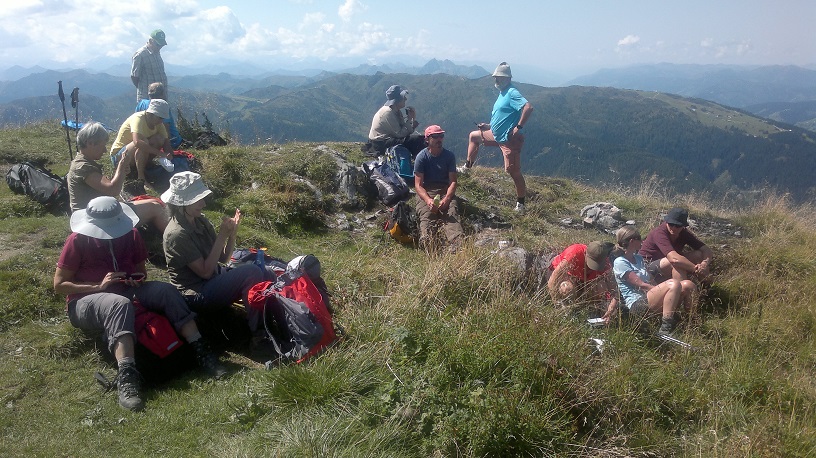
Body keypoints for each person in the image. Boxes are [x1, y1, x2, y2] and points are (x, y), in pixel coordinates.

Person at [54, 196, 226, 411]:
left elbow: (140, 271)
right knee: (118, 304)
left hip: (126, 290)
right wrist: (99, 286)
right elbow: (60, 284)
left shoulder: (131, 234)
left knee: (166, 291)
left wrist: (135, 279)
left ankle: (201, 349)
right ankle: (127, 376)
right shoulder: (78, 240)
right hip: (84, 301)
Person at [161, 172, 268, 334]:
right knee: (252, 272)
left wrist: (232, 234)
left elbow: (223, 258)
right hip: (195, 294)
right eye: (198, 199)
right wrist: (222, 235)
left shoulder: (201, 221)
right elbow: (204, 272)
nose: (203, 203)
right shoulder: (176, 234)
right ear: (182, 203)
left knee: (266, 273)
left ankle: (267, 320)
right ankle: (258, 331)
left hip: (213, 280)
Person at [68, 121, 168, 232]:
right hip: (94, 220)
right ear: (91, 143)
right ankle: (176, 241)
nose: (105, 150)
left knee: (154, 201)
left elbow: (107, 187)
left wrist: (121, 172)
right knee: (156, 208)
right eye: (103, 145)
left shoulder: (84, 162)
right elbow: (112, 190)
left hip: (100, 212)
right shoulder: (83, 167)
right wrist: (121, 166)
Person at [459, 62, 533, 213]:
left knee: (514, 172)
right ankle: (467, 168)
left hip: (509, 140)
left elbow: (528, 107)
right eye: (495, 78)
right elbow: (503, 115)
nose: (496, 81)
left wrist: (518, 127)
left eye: (499, 78)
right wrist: (488, 126)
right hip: (496, 133)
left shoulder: (512, 92)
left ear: (507, 78)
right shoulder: (502, 92)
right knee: (474, 137)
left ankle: (521, 205)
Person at [613, 225, 697, 335]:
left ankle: (691, 322)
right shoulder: (620, 262)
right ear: (632, 241)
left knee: (688, 284)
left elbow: (651, 279)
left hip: (650, 297)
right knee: (673, 284)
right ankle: (665, 328)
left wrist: (662, 290)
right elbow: (641, 285)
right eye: (639, 238)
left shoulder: (638, 258)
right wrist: (663, 290)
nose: (642, 241)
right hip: (636, 304)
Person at [413, 125, 464, 251]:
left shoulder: (449, 156)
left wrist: (446, 199)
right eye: (435, 137)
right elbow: (418, 185)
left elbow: (453, 182)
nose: (439, 139)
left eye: (441, 136)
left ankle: (457, 242)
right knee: (426, 214)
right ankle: (428, 241)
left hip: (443, 190)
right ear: (427, 140)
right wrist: (428, 200)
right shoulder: (421, 157)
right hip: (427, 191)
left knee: (451, 213)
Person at [110, 99, 173, 195]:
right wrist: (160, 153)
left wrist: (170, 156)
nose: (161, 121)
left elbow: (165, 141)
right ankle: (141, 179)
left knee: (158, 138)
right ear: (151, 114)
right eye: (159, 118)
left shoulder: (159, 124)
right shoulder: (138, 118)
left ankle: (141, 166)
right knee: (143, 142)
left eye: (162, 118)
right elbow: (137, 142)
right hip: (119, 156)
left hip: (134, 153)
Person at [639, 207, 713, 283]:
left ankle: (705, 287)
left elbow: (706, 249)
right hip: (647, 266)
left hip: (665, 263)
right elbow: (674, 259)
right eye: (671, 224)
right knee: (676, 264)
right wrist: (696, 269)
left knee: (698, 255)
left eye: (678, 225)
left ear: (683, 226)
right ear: (666, 222)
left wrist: (704, 264)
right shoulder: (659, 233)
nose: (673, 228)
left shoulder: (684, 233)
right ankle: (682, 291)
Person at [547, 241, 618, 316]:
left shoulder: (606, 264)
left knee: (601, 290)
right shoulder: (575, 252)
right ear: (585, 253)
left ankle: (589, 311)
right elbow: (554, 277)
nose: (592, 268)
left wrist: (611, 308)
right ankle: (565, 310)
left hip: (582, 281)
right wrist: (555, 301)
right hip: (565, 276)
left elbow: (614, 291)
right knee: (566, 288)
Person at [367, 85, 425, 157]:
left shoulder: (395, 111)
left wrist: (411, 120)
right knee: (418, 139)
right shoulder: (388, 113)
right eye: (403, 97)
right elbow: (400, 134)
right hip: (380, 144)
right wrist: (409, 120)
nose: (405, 99)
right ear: (398, 99)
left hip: (385, 140)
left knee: (417, 139)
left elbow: (404, 131)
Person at [136, 82, 183, 149]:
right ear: (162, 94)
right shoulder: (162, 106)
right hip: (172, 142)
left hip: (147, 141)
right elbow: (166, 131)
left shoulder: (141, 104)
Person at [131, 29, 168, 103]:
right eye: (158, 45)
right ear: (151, 41)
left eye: (161, 45)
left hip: (161, 97)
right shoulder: (140, 54)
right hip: (147, 98)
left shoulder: (157, 52)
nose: (160, 47)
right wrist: (144, 89)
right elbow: (134, 76)